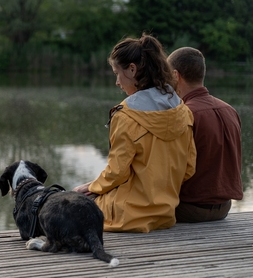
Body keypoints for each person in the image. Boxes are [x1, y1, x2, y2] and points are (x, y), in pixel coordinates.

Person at [73, 34, 196, 233]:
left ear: (132, 69)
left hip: (127, 215)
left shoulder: (126, 116)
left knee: (71, 202)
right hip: (165, 214)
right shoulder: (183, 111)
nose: (117, 82)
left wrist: (90, 187)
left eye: (117, 73)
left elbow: (116, 173)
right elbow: (189, 168)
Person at [167, 47, 243, 223]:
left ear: (176, 76)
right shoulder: (230, 110)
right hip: (224, 207)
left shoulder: (183, 114)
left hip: (189, 209)